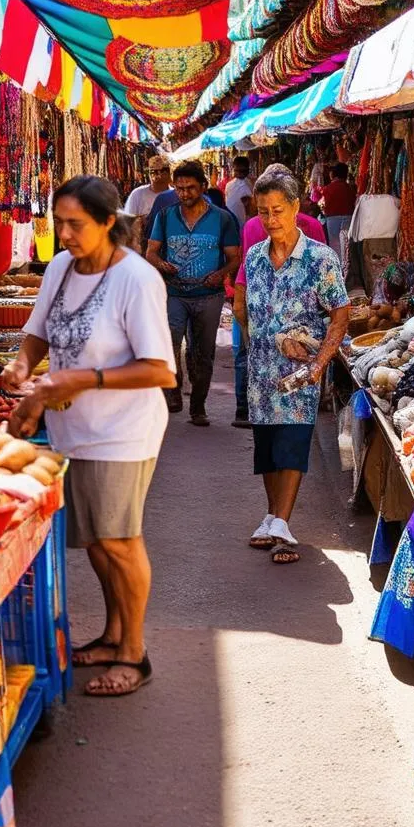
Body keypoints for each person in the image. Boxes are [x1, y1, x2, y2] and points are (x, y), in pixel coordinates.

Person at [3, 176, 176, 698]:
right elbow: (38, 332)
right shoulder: (59, 268)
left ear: (108, 223)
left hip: (122, 432)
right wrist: (22, 363)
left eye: (75, 224)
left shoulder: (137, 280)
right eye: (59, 223)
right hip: (71, 429)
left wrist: (82, 378)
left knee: (121, 543)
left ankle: (135, 653)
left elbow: (161, 371)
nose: (64, 234)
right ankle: (112, 633)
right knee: (97, 544)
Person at [233, 168, 350, 564]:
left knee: (292, 443)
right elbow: (243, 306)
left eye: (278, 211)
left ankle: (282, 524)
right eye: (263, 212)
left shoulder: (320, 258)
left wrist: (319, 361)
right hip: (262, 369)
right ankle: (272, 518)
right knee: (267, 447)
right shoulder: (254, 257)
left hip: (300, 374)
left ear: (296, 208)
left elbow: (340, 313)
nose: (270, 220)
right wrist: (257, 342)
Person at [231, 164, 326, 428]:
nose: (271, 219)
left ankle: (243, 409)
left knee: (248, 353)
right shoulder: (310, 225)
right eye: (265, 211)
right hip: (290, 315)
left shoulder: (251, 225)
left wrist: (249, 326)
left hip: (253, 295)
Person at [147, 161, 241, 426]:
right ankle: (174, 391)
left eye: (190, 188)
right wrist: (162, 264)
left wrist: (220, 274)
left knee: (203, 352)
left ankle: (198, 406)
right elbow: (151, 251)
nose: (184, 194)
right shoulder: (165, 217)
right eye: (179, 189)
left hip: (208, 296)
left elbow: (235, 257)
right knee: (169, 346)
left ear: (203, 187)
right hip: (174, 293)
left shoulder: (222, 218)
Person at [124, 156, 172, 246]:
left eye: (163, 171)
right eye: (153, 172)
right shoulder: (137, 194)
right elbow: (128, 220)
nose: (158, 175)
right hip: (145, 244)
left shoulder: (175, 195)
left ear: (168, 173)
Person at [320, 163, 357, 262]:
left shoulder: (328, 188)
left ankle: (338, 266)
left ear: (334, 174)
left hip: (332, 218)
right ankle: (347, 265)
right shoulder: (350, 188)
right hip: (348, 217)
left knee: (335, 243)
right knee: (346, 243)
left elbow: (324, 205)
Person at [224, 156, 255, 227]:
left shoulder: (229, 185)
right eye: (238, 170)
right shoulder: (247, 185)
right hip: (241, 225)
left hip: (232, 223)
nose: (240, 173)